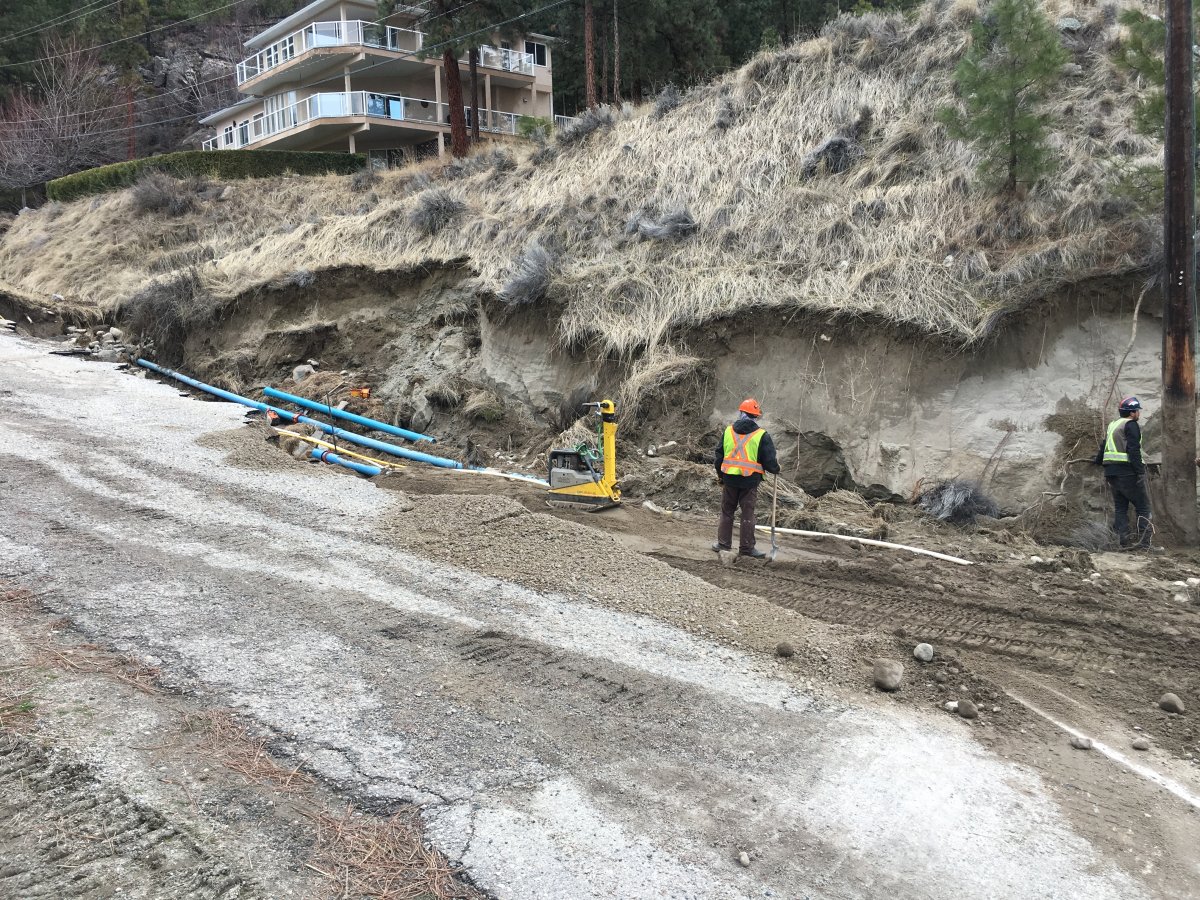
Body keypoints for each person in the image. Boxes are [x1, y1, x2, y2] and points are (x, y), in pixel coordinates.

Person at [713, 398, 781, 558]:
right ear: (755, 416)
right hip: (750, 482)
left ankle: (723, 544)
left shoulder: (728, 431)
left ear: (741, 413)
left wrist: (720, 476)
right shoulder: (761, 435)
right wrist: (776, 468)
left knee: (727, 511)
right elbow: (770, 462)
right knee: (747, 513)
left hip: (729, 479)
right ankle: (746, 548)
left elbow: (718, 457)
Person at [1095, 396, 1153, 549]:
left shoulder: (1113, 425)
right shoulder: (1131, 425)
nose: (1138, 414)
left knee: (1121, 507)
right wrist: (1140, 472)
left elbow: (1103, 445)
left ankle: (1123, 543)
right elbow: (1133, 449)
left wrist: (1097, 461)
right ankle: (1144, 545)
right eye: (1137, 411)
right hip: (1127, 472)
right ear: (1132, 412)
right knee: (1143, 507)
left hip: (1111, 473)